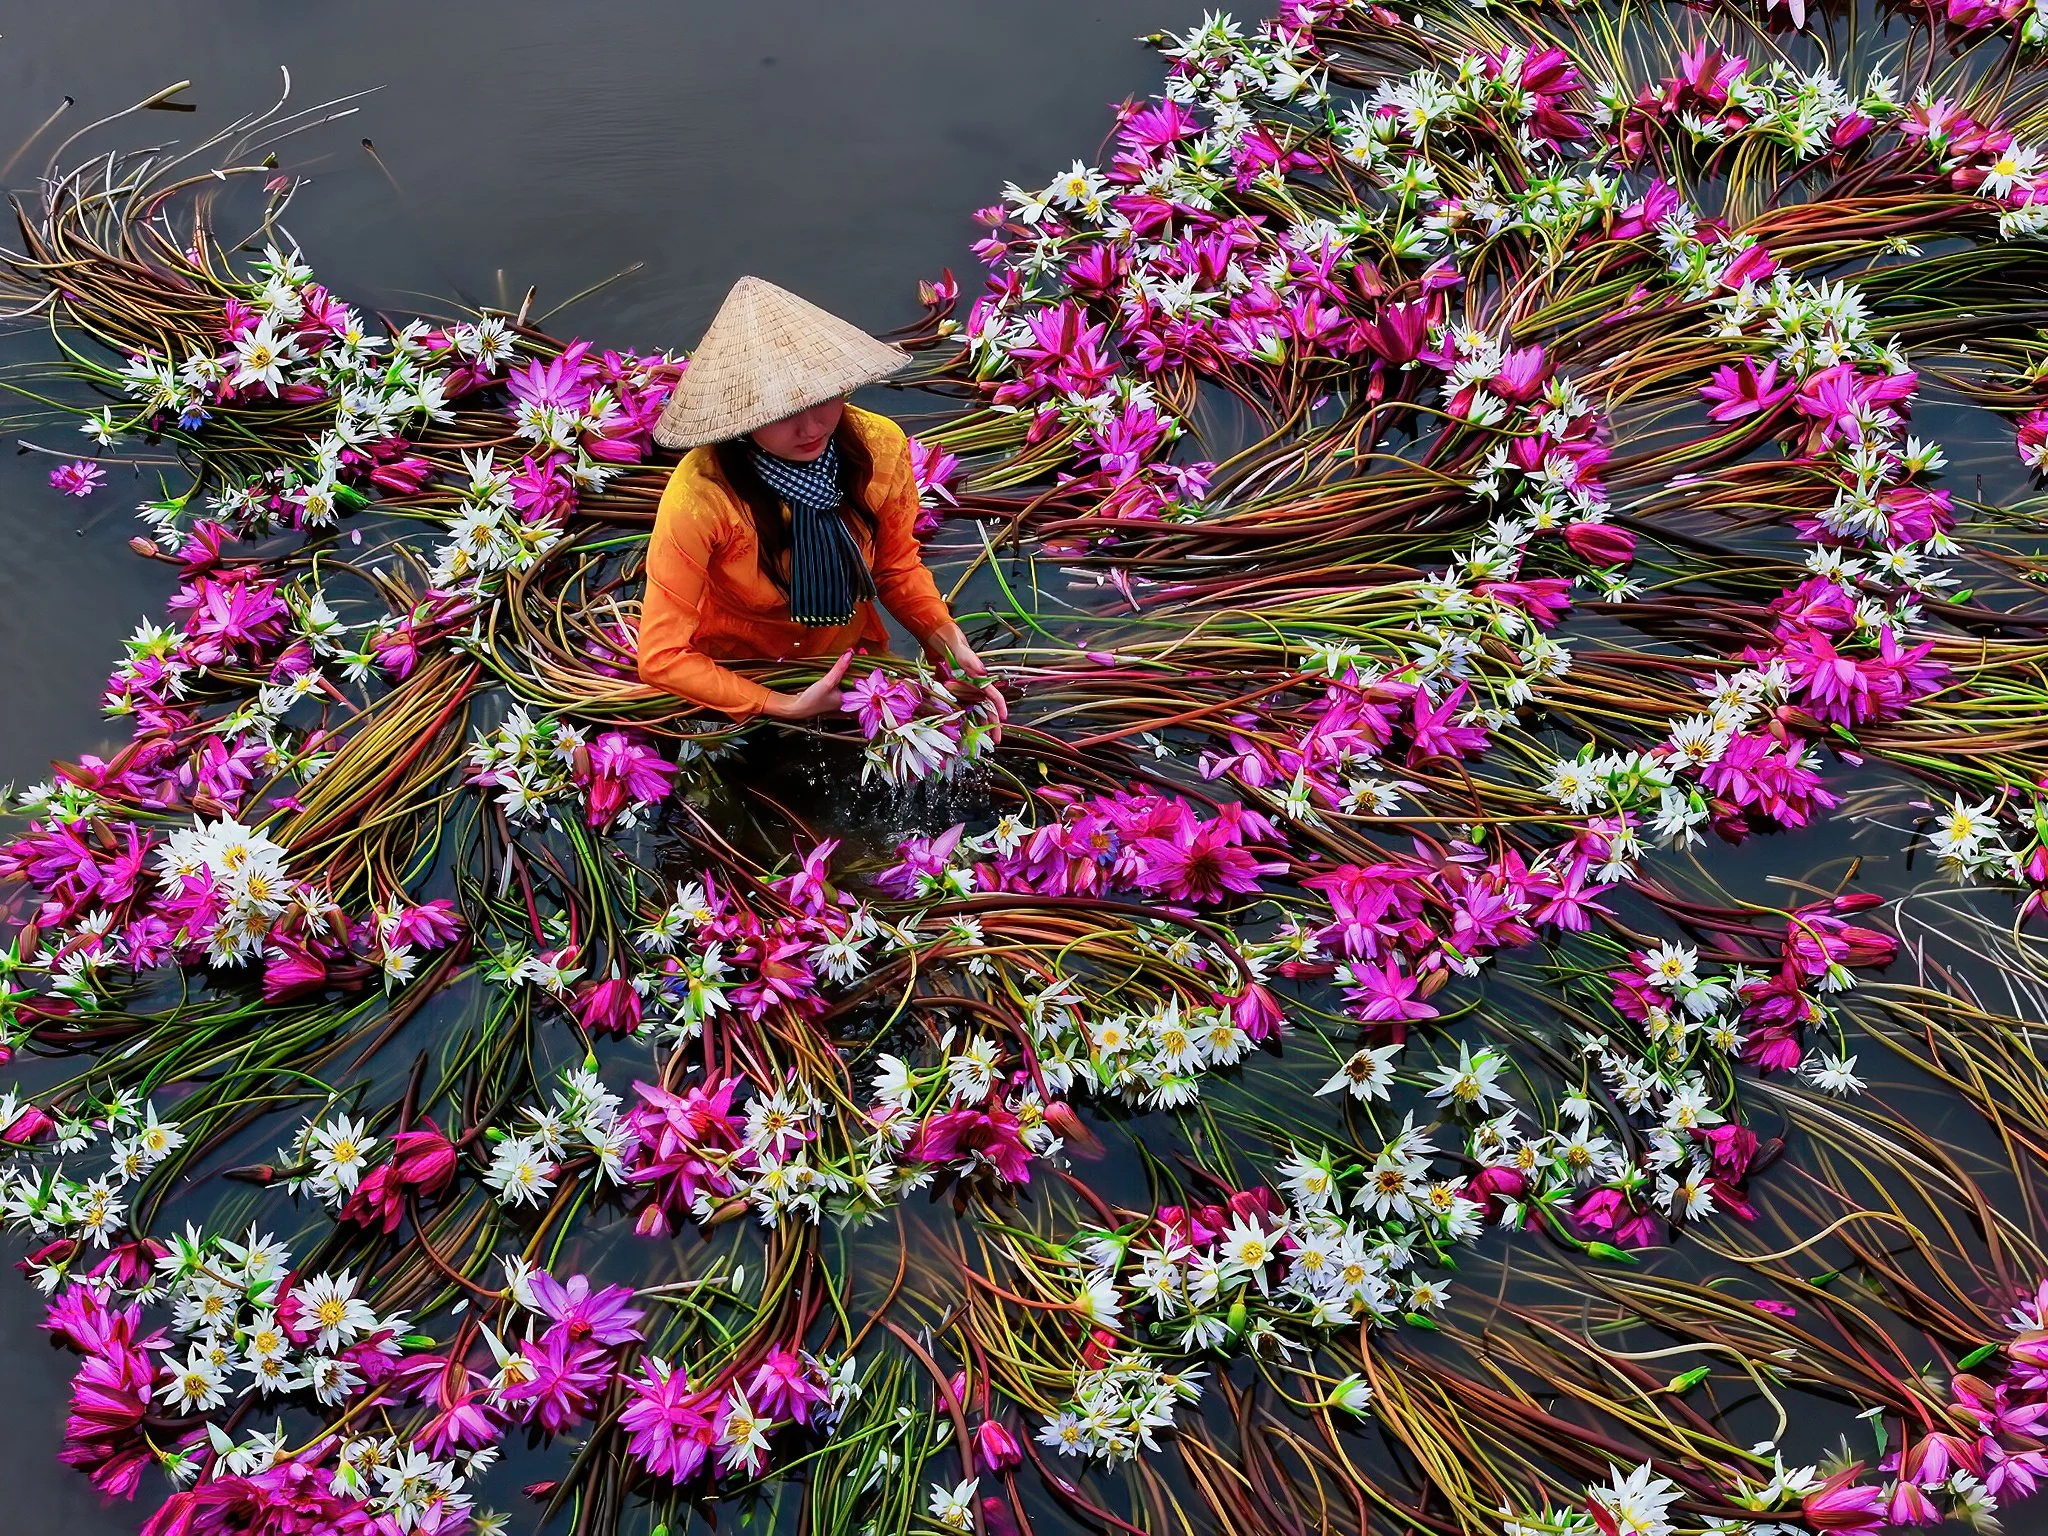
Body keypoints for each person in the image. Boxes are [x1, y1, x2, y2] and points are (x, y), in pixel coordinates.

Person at [637, 275, 1005, 732]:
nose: (811, 428)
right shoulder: (701, 497)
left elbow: (894, 569)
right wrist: (781, 704)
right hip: (740, 673)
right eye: (782, 413)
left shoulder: (879, 448)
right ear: (742, 417)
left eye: (822, 399)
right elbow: (660, 658)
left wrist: (945, 643)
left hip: (850, 661)